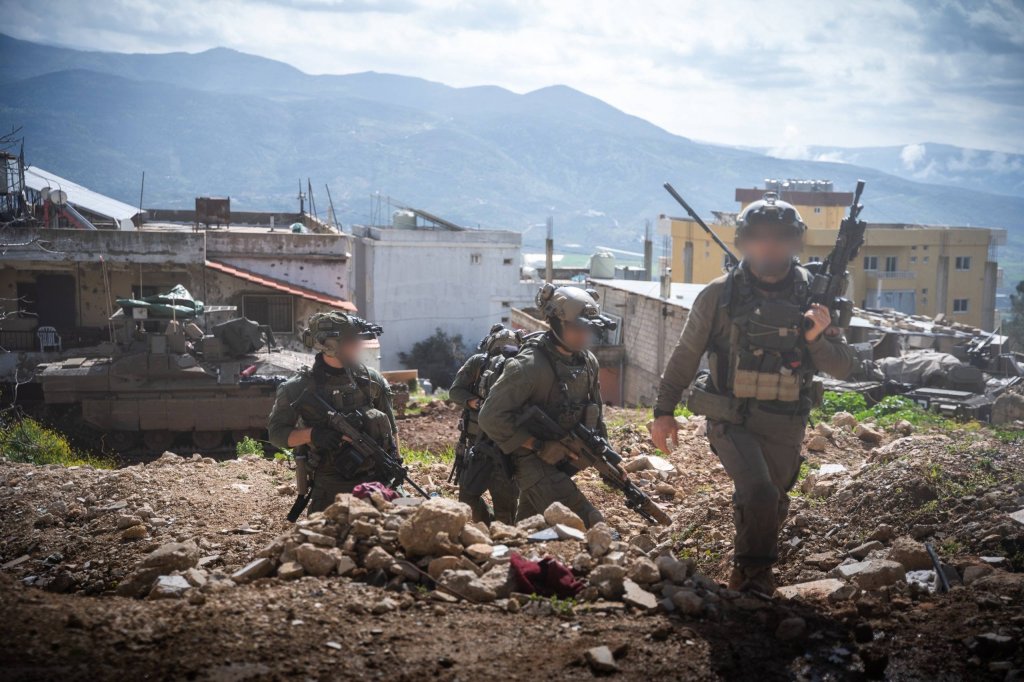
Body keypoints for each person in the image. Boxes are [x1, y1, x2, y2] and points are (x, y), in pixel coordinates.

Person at [650, 193, 857, 594]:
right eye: (759, 237)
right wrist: (663, 410)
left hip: (786, 420)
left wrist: (815, 338)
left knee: (773, 500)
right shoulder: (719, 295)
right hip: (732, 417)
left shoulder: (815, 295)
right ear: (744, 241)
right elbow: (685, 356)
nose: (769, 246)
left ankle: (748, 563)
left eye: (779, 237)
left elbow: (843, 366)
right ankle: (753, 578)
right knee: (760, 492)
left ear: (795, 243)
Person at [478, 284, 616, 528]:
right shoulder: (529, 366)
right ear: (556, 322)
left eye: (589, 329)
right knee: (590, 522)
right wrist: (538, 445)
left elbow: (595, 412)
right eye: (577, 328)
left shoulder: (587, 362)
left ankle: (512, 557)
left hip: (564, 459)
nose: (584, 336)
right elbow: (490, 417)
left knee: (530, 527)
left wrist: (607, 462)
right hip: (530, 461)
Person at [268, 311, 397, 514]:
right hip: (330, 489)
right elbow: (276, 435)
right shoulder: (296, 388)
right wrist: (313, 434)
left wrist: (393, 468)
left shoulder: (372, 382)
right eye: (350, 340)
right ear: (330, 346)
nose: (358, 345)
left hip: (376, 483)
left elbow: (391, 432)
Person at [449, 324, 522, 524]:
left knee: (505, 506)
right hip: (476, 444)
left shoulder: (521, 368)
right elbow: (456, 392)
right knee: (467, 498)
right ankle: (489, 525)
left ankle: (504, 539)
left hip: (505, 446)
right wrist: (476, 402)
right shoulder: (478, 364)